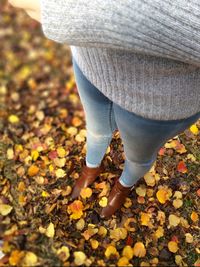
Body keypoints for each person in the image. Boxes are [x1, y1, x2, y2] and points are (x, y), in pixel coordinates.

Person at [9, 0, 200, 219]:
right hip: (90, 63)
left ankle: (124, 185)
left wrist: (96, 10)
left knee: (138, 157)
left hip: (159, 100)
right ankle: (91, 167)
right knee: (96, 130)